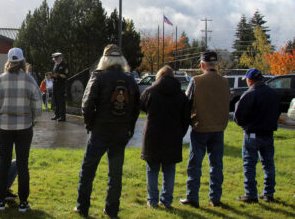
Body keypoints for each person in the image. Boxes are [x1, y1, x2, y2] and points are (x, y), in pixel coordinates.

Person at [75, 44, 139, 218]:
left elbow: (87, 105)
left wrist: (90, 125)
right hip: (120, 133)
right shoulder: (130, 79)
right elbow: (135, 109)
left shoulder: (98, 76)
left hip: (100, 132)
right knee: (115, 174)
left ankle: (82, 207)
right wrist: (129, 129)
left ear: (104, 59)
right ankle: (112, 210)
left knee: (88, 171)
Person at [0, 47, 42, 212]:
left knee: (4, 163)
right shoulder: (29, 80)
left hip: (3, 127)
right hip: (24, 127)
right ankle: (23, 202)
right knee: (22, 164)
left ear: (9, 61)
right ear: (22, 61)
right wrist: (34, 121)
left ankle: (1, 200)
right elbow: (37, 106)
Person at [180, 50, 230, 208]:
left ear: (202, 65)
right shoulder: (224, 82)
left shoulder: (196, 81)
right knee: (217, 165)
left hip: (200, 127)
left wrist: (188, 122)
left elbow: (187, 103)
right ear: (216, 65)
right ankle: (215, 198)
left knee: (195, 165)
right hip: (218, 128)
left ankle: (192, 196)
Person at [140, 65, 191, 208]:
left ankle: (152, 200)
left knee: (152, 169)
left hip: (153, 135)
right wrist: (180, 133)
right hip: (173, 136)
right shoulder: (181, 95)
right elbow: (186, 118)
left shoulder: (150, 91)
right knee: (169, 170)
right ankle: (167, 200)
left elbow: (142, 106)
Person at [233, 68, 281, 203]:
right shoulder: (273, 94)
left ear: (249, 80)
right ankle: (268, 193)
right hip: (268, 133)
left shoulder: (249, 94)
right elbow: (278, 111)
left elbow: (238, 117)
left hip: (252, 134)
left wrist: (245, 124)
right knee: (268, 164)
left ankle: (251, 194)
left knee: (249, 164)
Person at [51, 52, 68, 121]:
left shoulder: (64, 64)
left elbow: (65, 75)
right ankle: (57, 115)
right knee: (56, 101)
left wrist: (57, 76)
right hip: (55, 85)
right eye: (54, 58)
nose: (55, 59)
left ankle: (63, 117)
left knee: (61, 101)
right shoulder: (55, 64)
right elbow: (54, 73)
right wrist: (52, 76)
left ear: (60, 57)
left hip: (61, 85)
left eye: (56, 58)